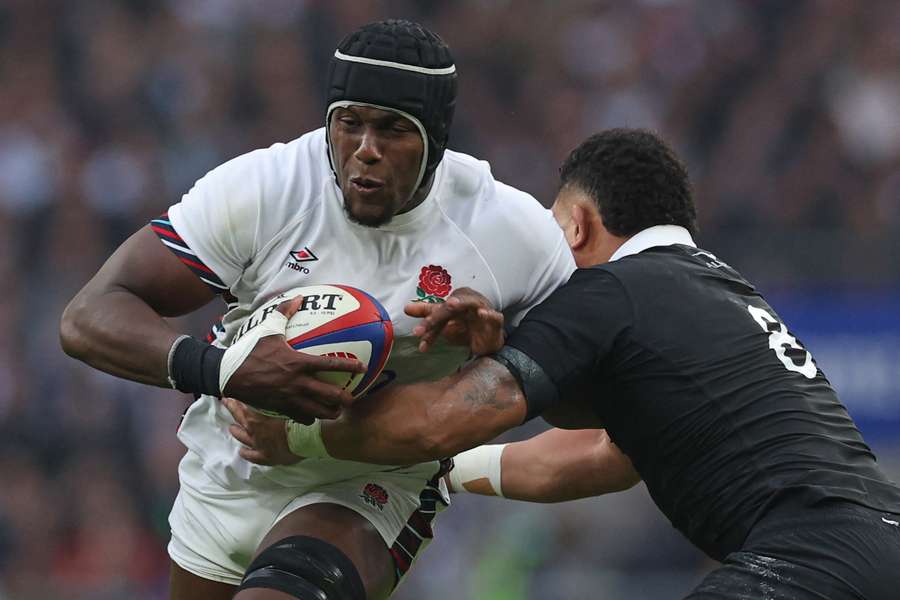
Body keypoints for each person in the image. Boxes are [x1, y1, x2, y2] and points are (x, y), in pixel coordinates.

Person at [257, 128, 900, 599]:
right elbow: (601, 456)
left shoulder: (611, 292)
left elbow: (441, 420)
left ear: (576, 227)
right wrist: (446, 473)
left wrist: (298, 434)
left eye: (550, 227)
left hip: (809, 562)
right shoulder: (717, 289)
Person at [59, 19, 575, 600]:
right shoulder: (266, 189)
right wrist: (225, 369)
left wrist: (502, 351)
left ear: (436, 139)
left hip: (370, 482)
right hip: (232, 463)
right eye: (348, 124)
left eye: (392, 130)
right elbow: (89, 316)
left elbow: (585, 391)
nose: (366, 151)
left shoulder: (512, 233)